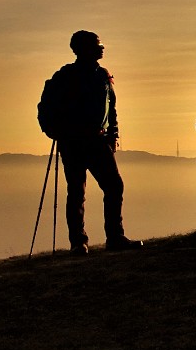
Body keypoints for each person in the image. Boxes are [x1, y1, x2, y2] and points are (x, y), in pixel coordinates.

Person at [38, 31, 142, 254]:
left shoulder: (102, 76)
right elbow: (45, 109)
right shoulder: (66, 77)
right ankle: (81, 242)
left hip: (96, 140)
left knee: (110, 187)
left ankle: (110, 238)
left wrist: (113, 136)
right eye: (97, 45)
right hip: (74, 141)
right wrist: (55, 132)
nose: (102, 48)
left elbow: (110, 109)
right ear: (82, 49)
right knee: (78, 191)